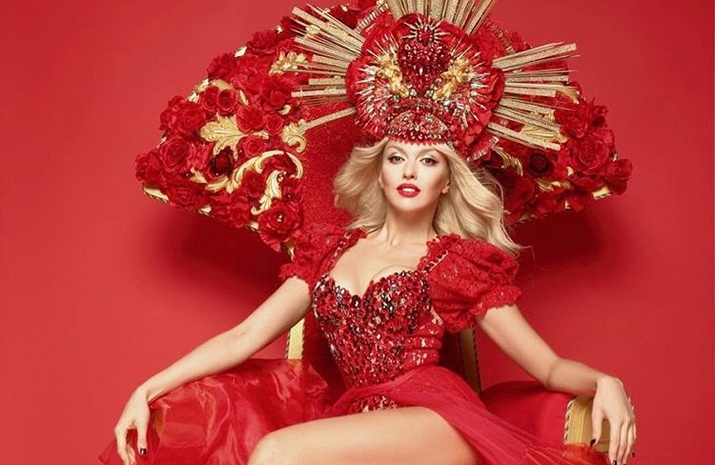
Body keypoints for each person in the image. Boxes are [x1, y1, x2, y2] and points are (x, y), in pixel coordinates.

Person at [101, 2, 636, 465]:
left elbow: (547, 365)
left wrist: (605, 382)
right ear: (377, 171)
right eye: (396, 158)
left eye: (428, 160)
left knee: (275, 453)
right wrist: (149, 387)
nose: (409, 171)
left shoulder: (456, 263)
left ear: (448, 179)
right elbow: (244, 337)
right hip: (359, 420)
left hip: (438, 422)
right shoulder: (329, 252)